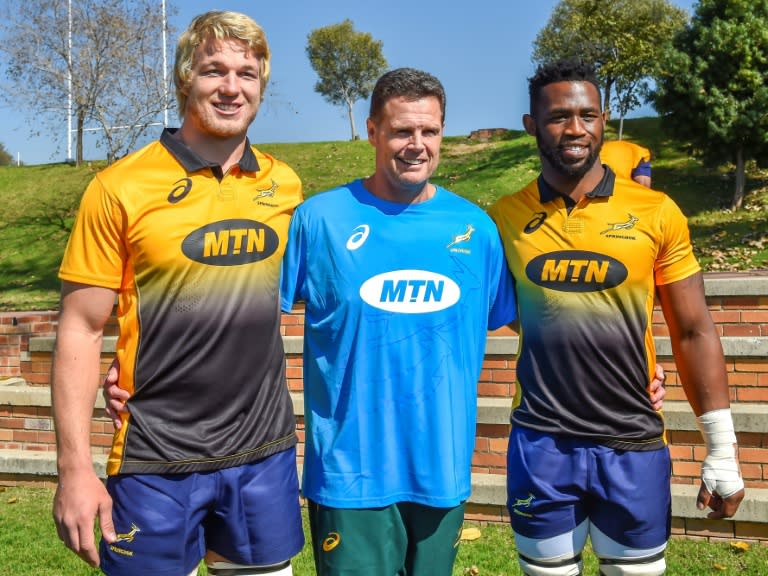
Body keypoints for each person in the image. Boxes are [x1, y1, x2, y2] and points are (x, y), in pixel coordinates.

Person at [101, 65, 669, 576]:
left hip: (442, 474)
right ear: (372, 132)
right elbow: (239, 310)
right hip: (349, 478)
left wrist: (629, 367)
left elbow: (539, 320)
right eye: (401, 131)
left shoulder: (477, 229)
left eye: (429, 131)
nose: (416, 145)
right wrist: (146, 373)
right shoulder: (317, 220)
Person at [51, 11, 304, 576]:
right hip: (153, 456)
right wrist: (73, 468)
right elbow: (82, 328)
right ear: (185, 78)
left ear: (262, 84)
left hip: (262, 452)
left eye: (247, 72)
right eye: (215, 70)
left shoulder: (285, 186)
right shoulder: (117, 188)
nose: (232, 87)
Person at [488, 59, 745, 576]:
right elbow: (518, 312)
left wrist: (722, 449)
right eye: (559, 116)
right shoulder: (503, 218)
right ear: (531, 125)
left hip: (633, 439)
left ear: (604, 120)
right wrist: (586, 340)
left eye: (588, 115)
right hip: (542, 441)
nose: (576, 129)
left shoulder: (656, 211)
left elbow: (693, 329)